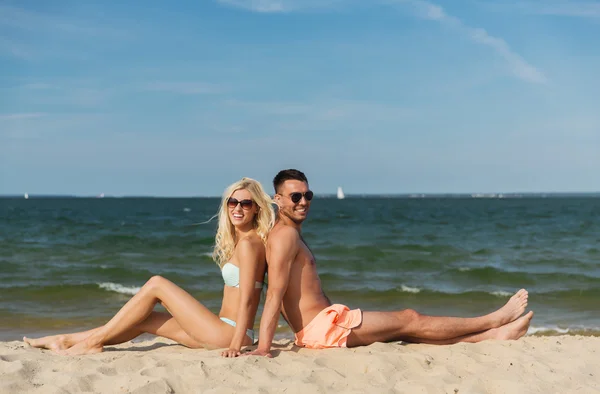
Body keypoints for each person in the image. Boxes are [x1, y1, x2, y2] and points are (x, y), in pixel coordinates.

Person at [247, 169, 534, 357]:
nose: (303, 201)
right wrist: (263, 348)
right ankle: (492, 320)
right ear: (278, 200)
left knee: (406, 331)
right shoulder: (284, 235)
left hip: (326, 324)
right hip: (323, 329)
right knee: (410, 318)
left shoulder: (289, 233)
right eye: (295, 196)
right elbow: (275, 294)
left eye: (307, 195)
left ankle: (493, 335)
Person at [24, 178, 275, 357]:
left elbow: (247, 301)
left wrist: (235, 344)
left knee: (157, 284)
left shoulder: (250, 244)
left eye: (246, 203)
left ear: (257, 209)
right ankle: (64, 339)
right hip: (223, 330)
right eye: (233, 202)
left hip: (228, 334)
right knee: (147, 319)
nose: (238, 208)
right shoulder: (245, 242)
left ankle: (92, 342)